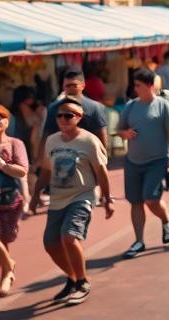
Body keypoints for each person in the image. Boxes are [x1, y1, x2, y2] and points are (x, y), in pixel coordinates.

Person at [30, 97, 114, 306]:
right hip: (57, 199)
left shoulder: (89, 141)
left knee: (69, 236)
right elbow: (46, 171)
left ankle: (83, 282)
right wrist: (34, 195)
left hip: (82, 196)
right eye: (59, 115)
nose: (63, 119)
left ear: (79, 118)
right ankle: (73, 277)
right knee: (50, 243)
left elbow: (101, 172)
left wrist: (107, 198)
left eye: (68, 115)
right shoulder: (52, 140)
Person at [116, 68, 169, 259]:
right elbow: (119, 129)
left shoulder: (162, 105)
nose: (135, 88)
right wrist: (124, 134)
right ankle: (139, 241)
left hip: (157, 161)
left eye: (138, 85)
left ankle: (166, 218)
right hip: (133, 161)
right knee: (136, 201)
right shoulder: (130, 106)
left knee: (150, 199)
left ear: (150, 86)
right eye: (134, 85)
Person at [0, 103, 28, 298]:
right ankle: (9, 268)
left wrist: (3, 165)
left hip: (9, 200)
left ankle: (6, 273)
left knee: (3, 240)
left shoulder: (15, 144)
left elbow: (23, 170)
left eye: (0, 117)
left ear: (7, 121)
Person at [39, 70, 109, 158]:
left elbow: (102, 138)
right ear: (63, 87)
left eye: (74, 86)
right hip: (60, 157)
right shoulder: (54, 108)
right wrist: (39, 162)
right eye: (68, 86)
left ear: (82, 86)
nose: (70, 89)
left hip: (85, 158)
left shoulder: (95, 108)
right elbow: (46, 136)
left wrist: (102, 159)